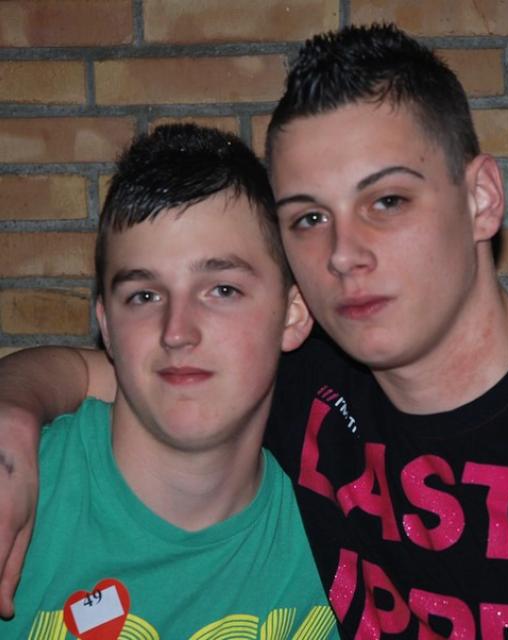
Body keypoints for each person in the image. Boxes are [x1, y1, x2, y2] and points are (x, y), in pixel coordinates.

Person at [1, 23, 508, 638]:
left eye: (386, 201)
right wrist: (13, 412)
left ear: (482, 199)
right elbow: (124, 368)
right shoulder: (299, 385)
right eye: (309, 218)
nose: (343, 254)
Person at [0, 123, 339, 638]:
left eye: (221, 290)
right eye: (145, 296)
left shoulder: (344, 533)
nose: (176, 332)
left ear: (292, 314)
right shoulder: (19, 493)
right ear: (107, 326)